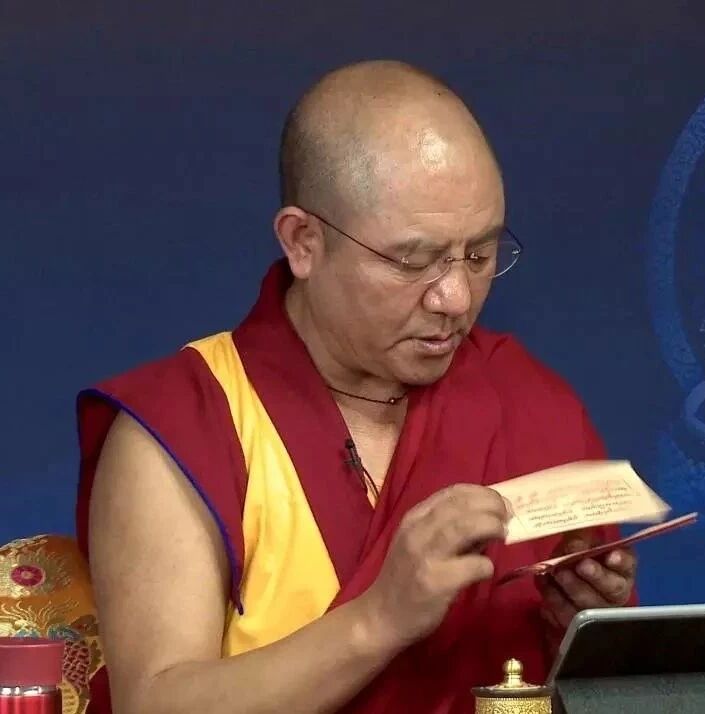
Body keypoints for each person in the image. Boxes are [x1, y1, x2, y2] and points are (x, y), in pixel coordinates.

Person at [76, 60, 637, 714]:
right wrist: (380, 617)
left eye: (480, 255)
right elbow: (155, 705)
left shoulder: (529, 402)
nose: (455, 298)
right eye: (413, 260)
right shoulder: (187, 426)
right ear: (303, 242)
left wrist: (584, 634)